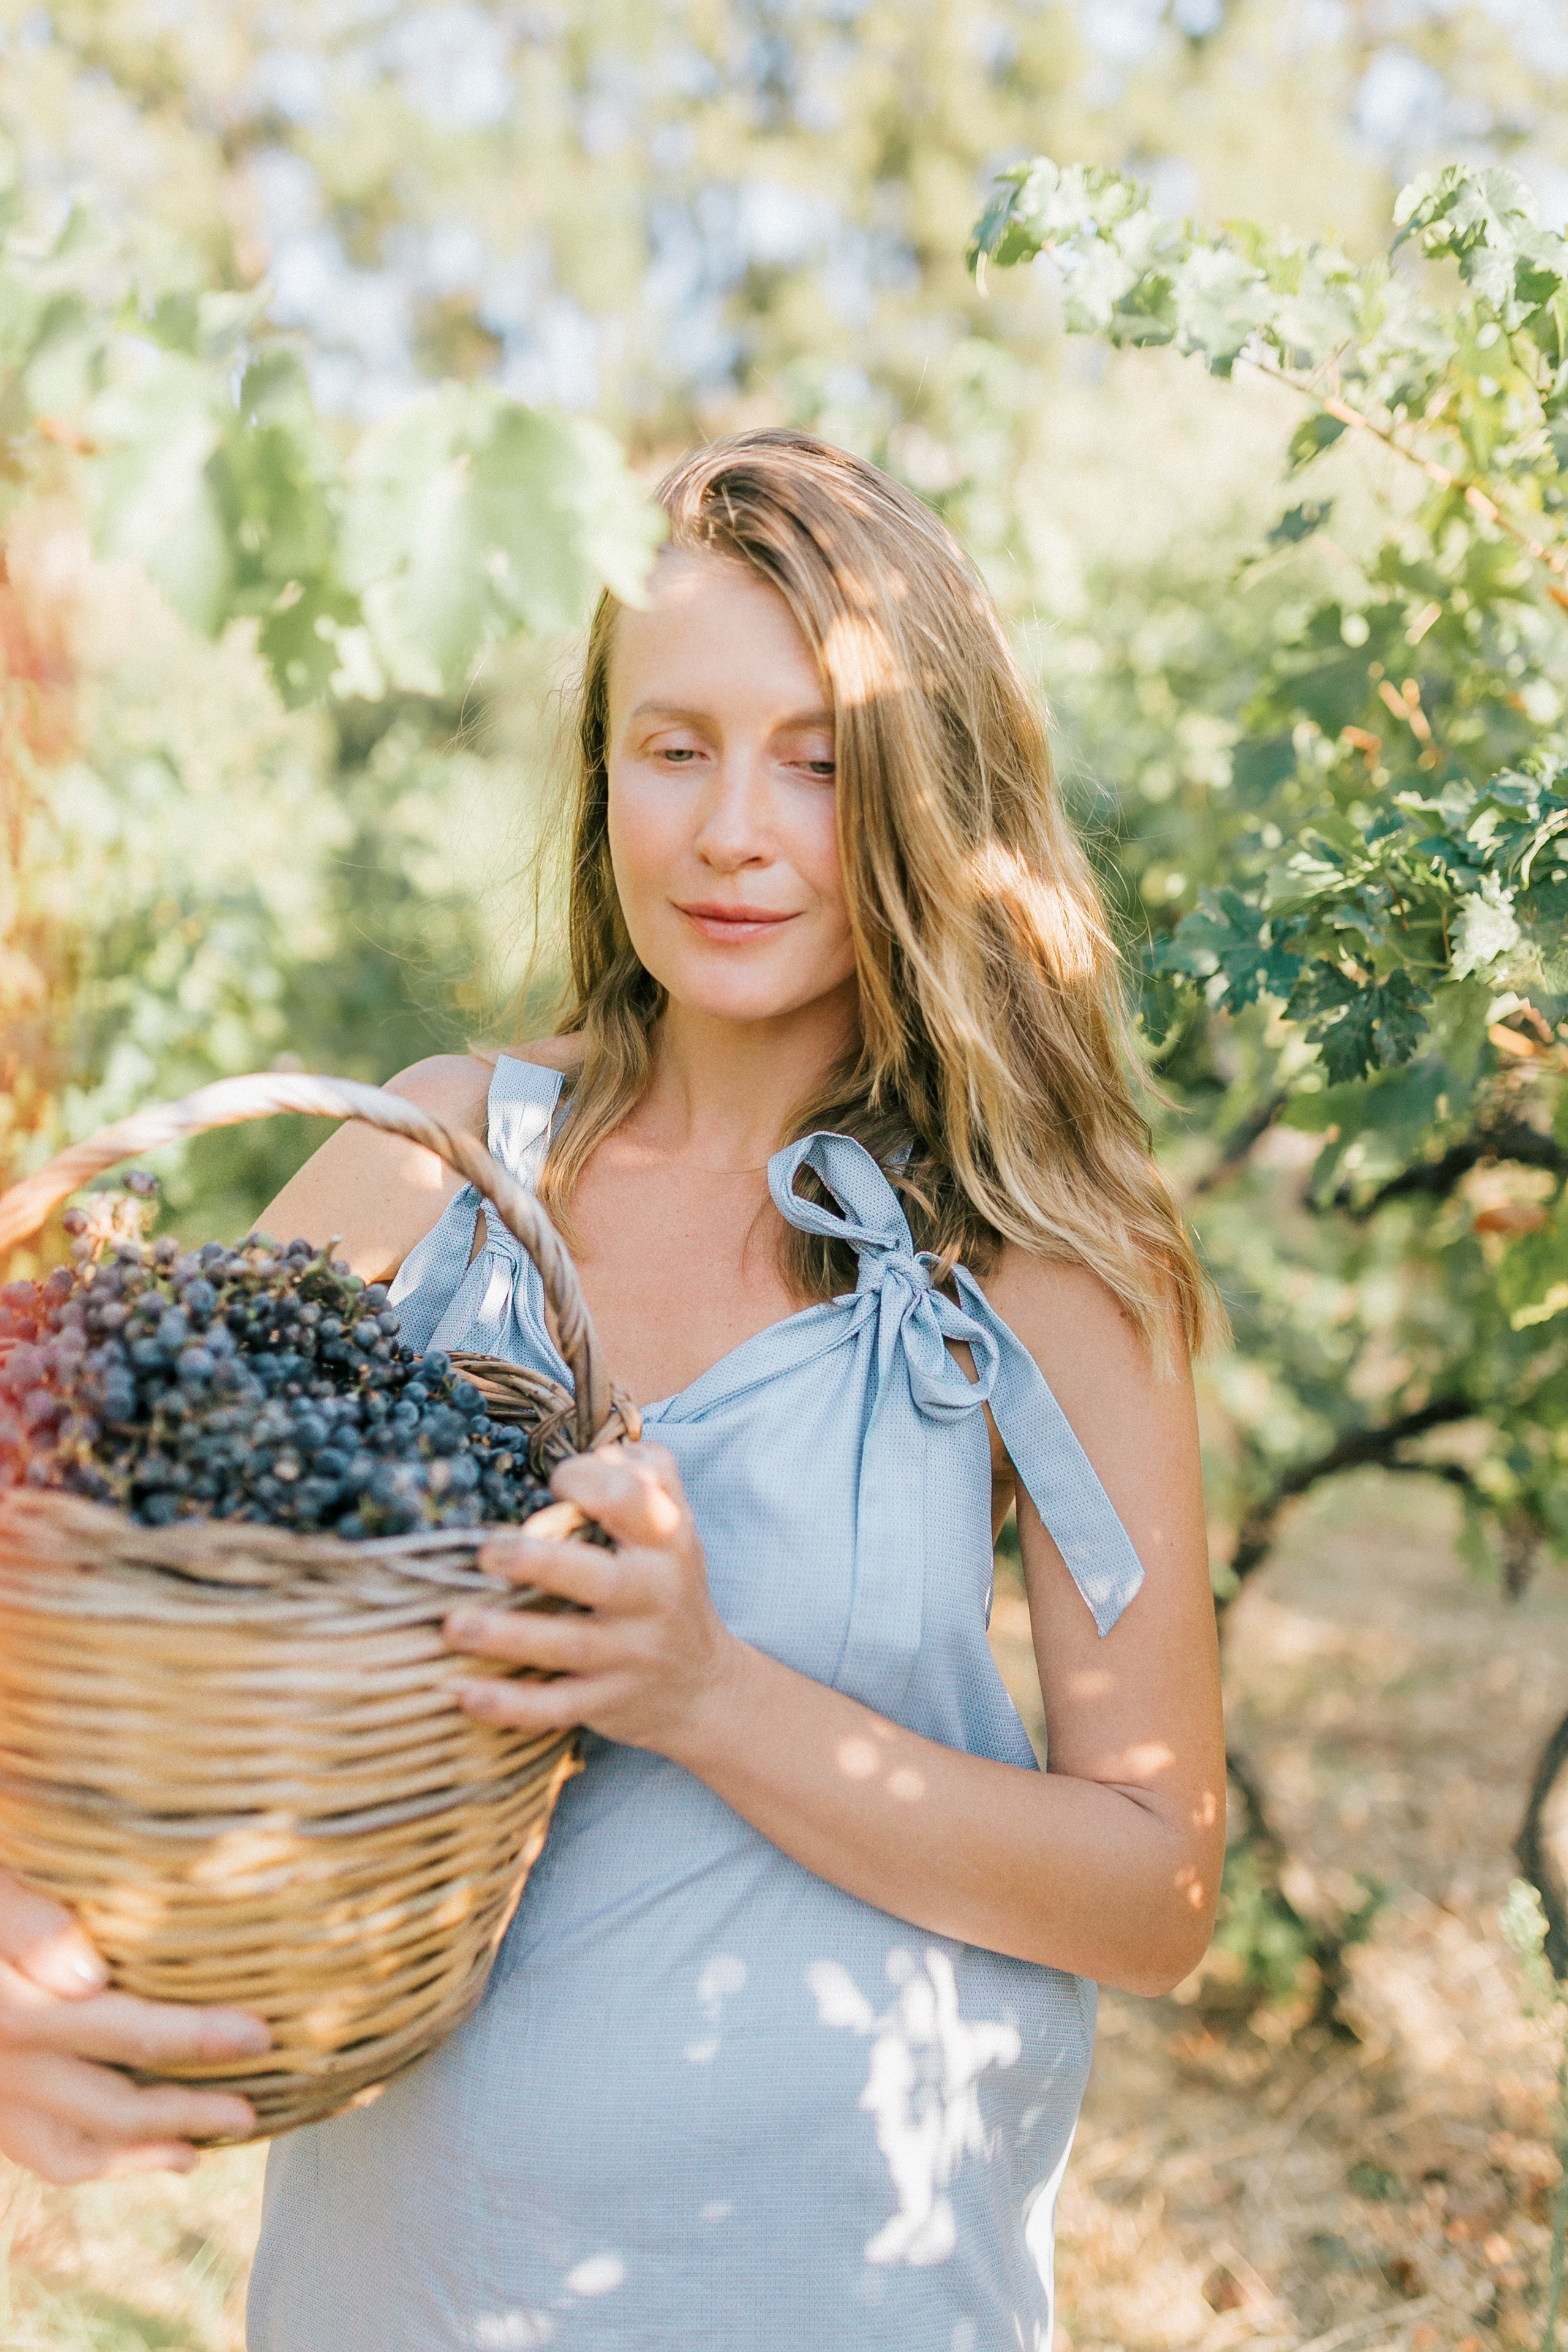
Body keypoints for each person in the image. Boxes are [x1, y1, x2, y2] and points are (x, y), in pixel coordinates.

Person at [0, 429, 1224, 2350]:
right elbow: (89, 1587)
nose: (734, 829)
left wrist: (706, 1696)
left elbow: (1157, 1889)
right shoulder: (432, 1156)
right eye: (675, 746)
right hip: (395, 2293)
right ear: (604, 775)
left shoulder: (1035, 1268)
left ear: (925, 795)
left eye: (817, 760)